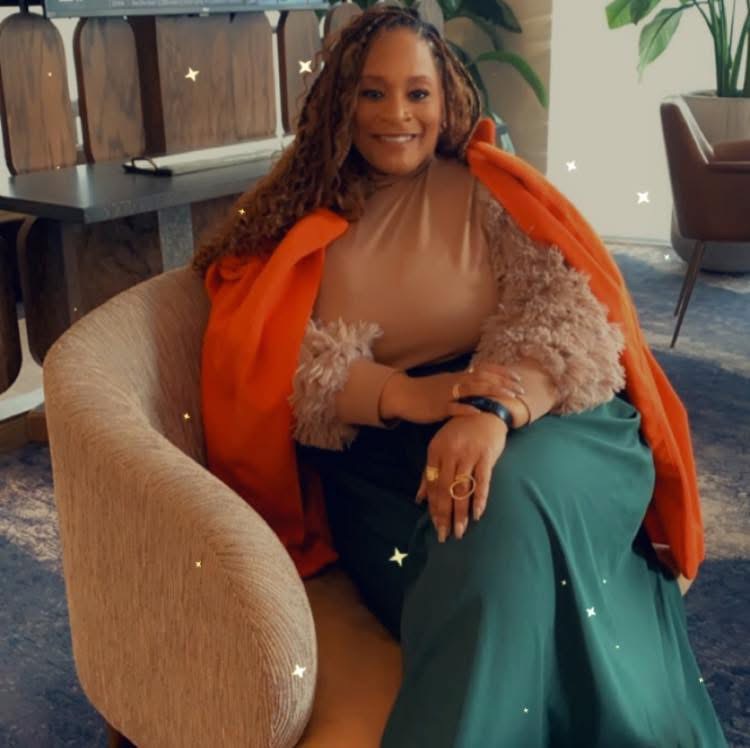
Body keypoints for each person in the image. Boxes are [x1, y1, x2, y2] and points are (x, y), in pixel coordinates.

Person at [193, 6, 727, 746]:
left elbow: (570, 310)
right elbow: (271, 359)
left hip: (547, 413)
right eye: (373, 92)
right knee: (478, 527)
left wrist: (490, 411)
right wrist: (406, 395)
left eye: (417, 92)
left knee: (506, 493)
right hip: (386, 464)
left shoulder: (488, 189)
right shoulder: (296, 216)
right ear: (340, 101)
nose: (397, 114)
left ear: (445, 101)